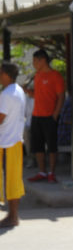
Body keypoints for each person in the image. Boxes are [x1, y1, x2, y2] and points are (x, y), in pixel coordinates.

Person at [27, 49, 65, 183]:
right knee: (38, 146)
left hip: (50, 116)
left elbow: (61, 96)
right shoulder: (37, 75)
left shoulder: (55, 76)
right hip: (36, 115)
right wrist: (27, 91)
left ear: (42, 60)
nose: (33, 64)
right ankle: (42, 172)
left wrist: (55, 114)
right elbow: (37, 94)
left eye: (35, 61)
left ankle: (51, 173)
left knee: (52, 146)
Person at [0, 62, 27, 228]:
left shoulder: (6, 94)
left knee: (9, 181)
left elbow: (0, 117)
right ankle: (13, 215)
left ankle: (13, 216)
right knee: (14, 179)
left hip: (6, 142)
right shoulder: (19, 90)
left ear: (6, 74)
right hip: (15, 140)